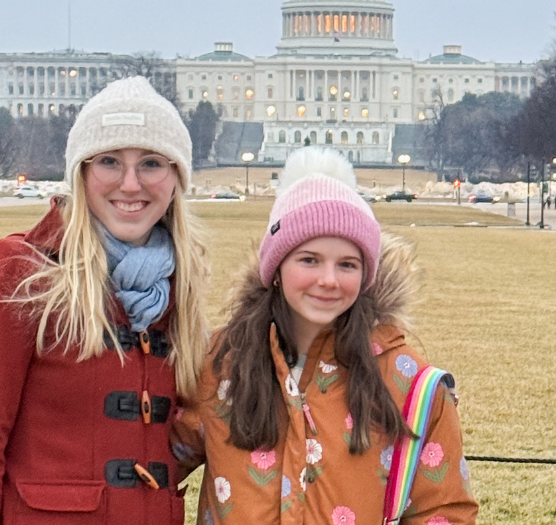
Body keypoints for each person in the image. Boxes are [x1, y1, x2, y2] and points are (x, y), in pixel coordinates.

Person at [0, 77, 210, 524]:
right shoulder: (20, 272)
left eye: (151, 163)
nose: (130, 184)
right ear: (81, 173)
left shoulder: (179, 285)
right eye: (109, 161)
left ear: (176, 177)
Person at [172, 147, 477, 524]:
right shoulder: (218, 365)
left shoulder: (409, 383)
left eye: (347, 264)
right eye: (309, 260)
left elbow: (442, 510)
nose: (328, 280)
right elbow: (151, 467)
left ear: (365, 276)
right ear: (276, 268)